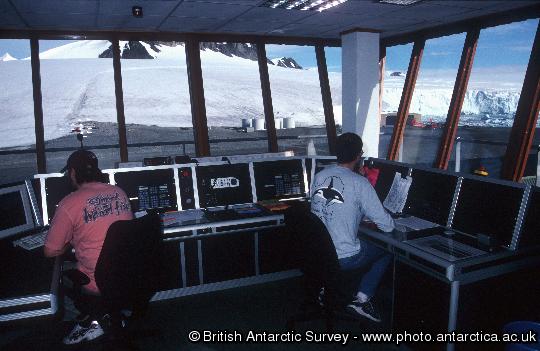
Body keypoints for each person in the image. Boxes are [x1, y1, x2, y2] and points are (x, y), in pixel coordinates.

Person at [44, 150, 133, 344]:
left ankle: (89, 322)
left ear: (73, 173)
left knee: (59, 274)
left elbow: (50, 251)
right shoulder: (119, 192)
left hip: (99, 281)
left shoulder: (69, 203)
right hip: (129, 275)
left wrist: (69, 242)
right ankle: (109, 314)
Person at [310, 133, 394, 322]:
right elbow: (387, 226)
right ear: (359, 155)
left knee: (359, 240)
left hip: (318, 253)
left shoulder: (319, 176)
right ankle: (362, 300)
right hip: (343, 259)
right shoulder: (360, 183)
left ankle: (328, 287)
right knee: (387, 248)